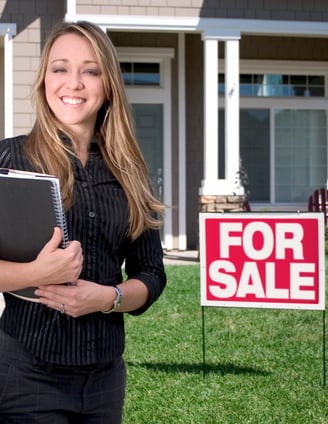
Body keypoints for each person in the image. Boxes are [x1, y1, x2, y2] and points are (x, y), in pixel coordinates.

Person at [0, 20, 166, 423]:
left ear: (107, 84)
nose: (73, 83)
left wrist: (108, 298)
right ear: (43, 81)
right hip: (27, 375)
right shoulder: (8, 161)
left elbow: (152, 274)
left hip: (105, 381)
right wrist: (35, 272)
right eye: (60, 68)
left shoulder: (130, 172)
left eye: (90, 71)